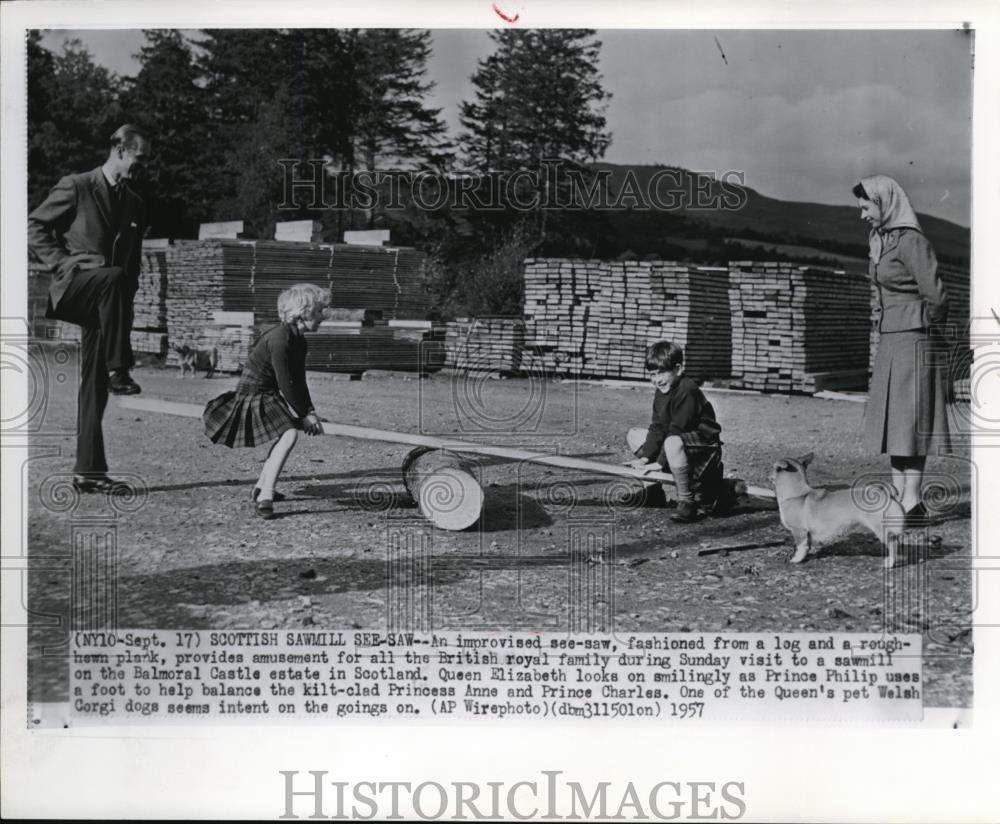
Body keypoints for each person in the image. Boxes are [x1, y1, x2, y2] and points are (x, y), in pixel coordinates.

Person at [28, 125, 152, 493]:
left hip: (110, 299)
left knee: (92, 386)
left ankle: (88, 472)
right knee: (111, 276)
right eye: (139, 159)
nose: (143, 167)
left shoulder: (136, 203)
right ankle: (121, 367)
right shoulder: (77, 185)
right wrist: (60, 263)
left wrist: (124, 311)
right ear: (119, 149)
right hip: (77, 285)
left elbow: (132, 265)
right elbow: (34, 225)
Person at [853, 175, 951, 525]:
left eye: (866, 207)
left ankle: (913, 502)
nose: (863, 214)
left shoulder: (912, 241)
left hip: (914, 338)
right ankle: (900, 500)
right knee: (894, 422)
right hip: (891, 338)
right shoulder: (879, 239)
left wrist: (923, 328)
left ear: (885, 203)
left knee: (911, 420)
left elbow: (937, 297)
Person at [203, 284, 328, 519]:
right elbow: (286, 383)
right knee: (289, 434)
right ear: (302, 313)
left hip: (269, 393)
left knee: (286, 433)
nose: (324, 316)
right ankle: (265, 495)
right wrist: (303, 415)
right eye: (320, 311)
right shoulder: (279, 340)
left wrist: (309, 411)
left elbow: (299, 381)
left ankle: (261, 487)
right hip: (253, 395)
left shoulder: (299, 341)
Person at [624, 340, 724, 522]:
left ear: (678, 370)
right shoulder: (661, 390)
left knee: (671, 441)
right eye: (652, 374)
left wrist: (660, 463)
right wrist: (646, 457)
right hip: (677, 446)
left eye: (662, 372)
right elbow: (657, 426)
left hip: (703, 449)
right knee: (634, 434)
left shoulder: (687, 390)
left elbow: (678, 429)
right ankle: (653, 492)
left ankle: (687, 501)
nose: (657, 379)